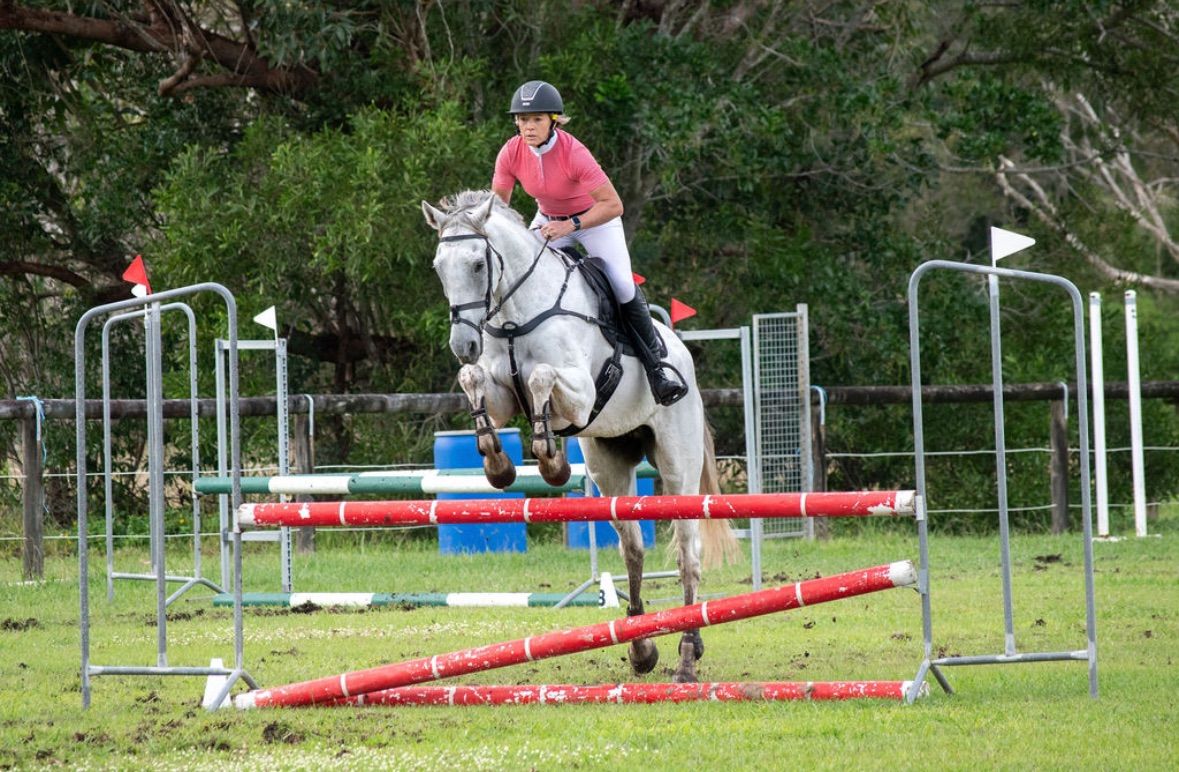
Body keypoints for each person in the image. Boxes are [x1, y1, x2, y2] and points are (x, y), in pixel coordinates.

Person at [491, 79, 688, 406]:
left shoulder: (573, 152)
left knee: (622, 285)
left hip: (595, 220)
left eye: (537, 119)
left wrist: (570, 225)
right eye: (523, 120)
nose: (528, 127)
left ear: (554, 119)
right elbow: (498, 207)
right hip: (548, 219)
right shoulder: (510, 152)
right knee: (517, 273)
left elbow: (613, 204)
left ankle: (658, 368)